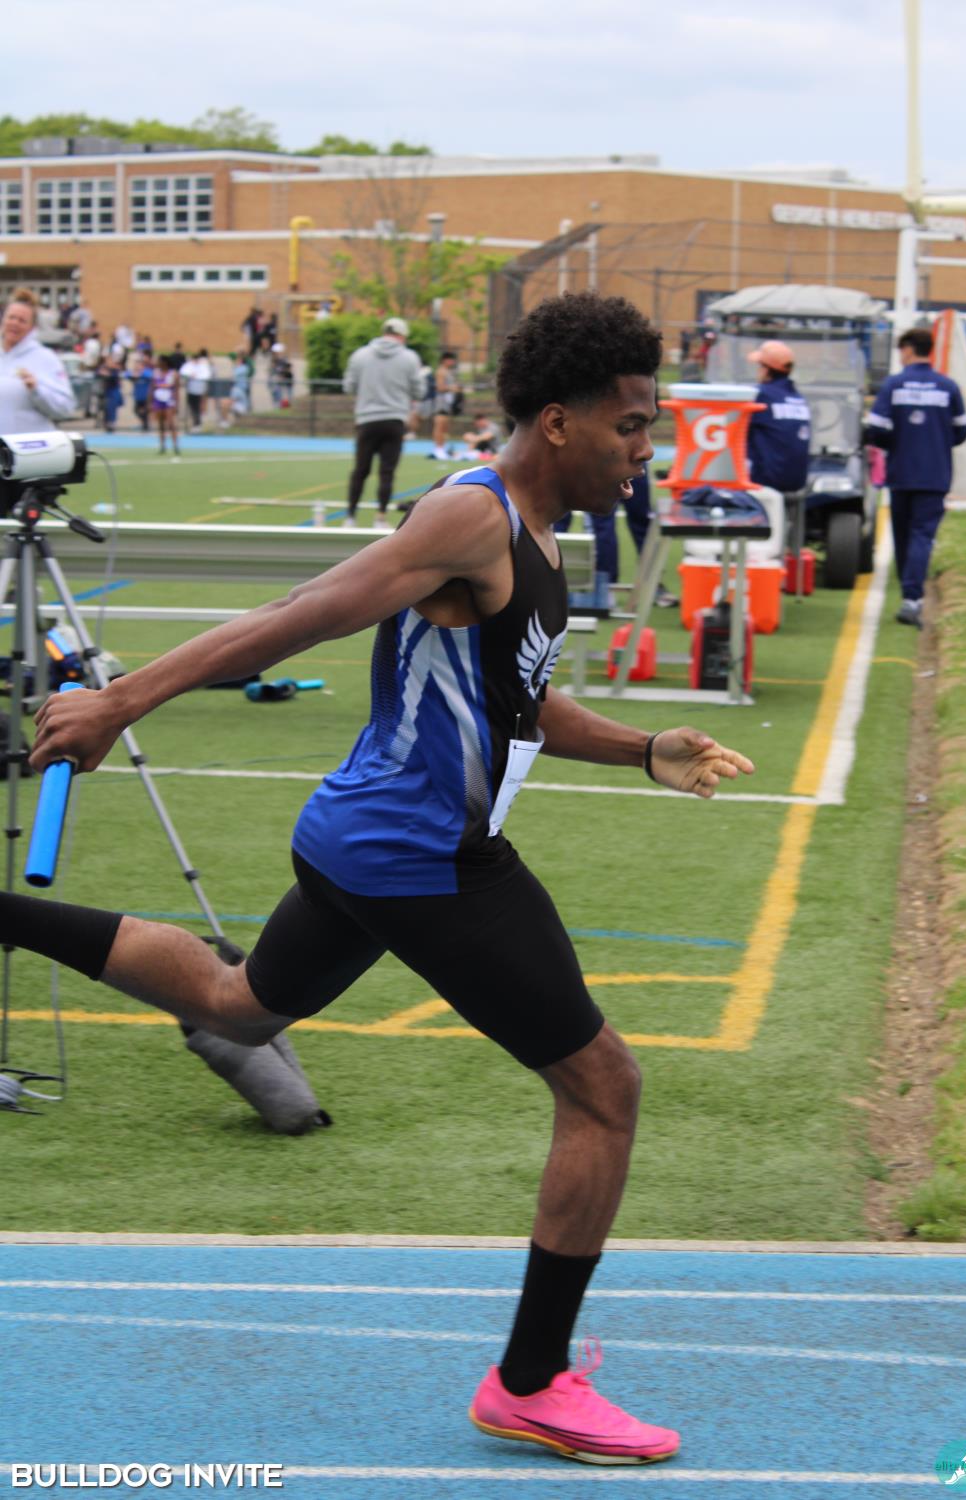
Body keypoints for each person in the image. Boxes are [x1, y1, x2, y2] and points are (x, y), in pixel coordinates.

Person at [19, 291, 756, 1468]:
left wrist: (641, 748)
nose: (643, 450)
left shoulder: (536, 533)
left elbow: (518, 701)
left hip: (363, 843)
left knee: (235, 1006)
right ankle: (530, 1383)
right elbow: (303, 613)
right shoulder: (471, 516)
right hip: (424, 859)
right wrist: (120, 699)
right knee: (603, 1086)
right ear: (558, 422)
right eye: (630, 426)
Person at [864, 326, 966, 628]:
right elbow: (962, 431)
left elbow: (876, 429)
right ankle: (912, 598)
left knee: (903, 534)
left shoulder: (894, 385)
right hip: (936, 474)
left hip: (901, 472)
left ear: (908, 350)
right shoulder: (948, 387)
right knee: (922, 534)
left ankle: (909, 592)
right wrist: (936, 442)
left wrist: (896, 444)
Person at [342, 316, 424, 530]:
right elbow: (419, 391)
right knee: (387, 471)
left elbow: (349, 386)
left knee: (360, 470)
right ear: (402, 335)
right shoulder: (409, 357)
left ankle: (350, 516)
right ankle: (380, 517)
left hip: (366, 418)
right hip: (395, 419)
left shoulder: (360, 355)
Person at [0, 287, 75, 433]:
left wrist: (36, 390)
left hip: (28, 445)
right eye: (11, 317)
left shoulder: (45, 358)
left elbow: (66, 408)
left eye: (22, 320)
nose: (15, 323)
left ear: (32, 327)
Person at [745, 340, 812, 494]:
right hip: (797, 482)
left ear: (767, 370)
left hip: (764, 483)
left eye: (760, 366)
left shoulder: (760, 395)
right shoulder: (798, 398)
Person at [431, 350, 462, 460]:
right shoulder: (441, 371)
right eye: (451, 360)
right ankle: (438, 449)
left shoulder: (449, 372)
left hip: (448, 403)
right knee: (439, 425)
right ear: (445, 360)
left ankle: (442, 448)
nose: (453, 362)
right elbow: (439, 387)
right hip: (441, 403)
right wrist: (452, 388)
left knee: (444, 427)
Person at [150, 355, 181, 456]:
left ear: (164, 362)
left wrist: (177, 403)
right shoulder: (156, 373)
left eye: (159, 361)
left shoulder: (173, 373)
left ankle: (175, 445)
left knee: (171, 423)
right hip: (158, 400)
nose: (158, 363)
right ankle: (162, 446)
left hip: (169, 400)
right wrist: (150, 402)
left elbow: (176, 389)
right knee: (160, 424)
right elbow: (152, 387)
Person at [180, 348, 213, 432]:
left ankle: (197, 423)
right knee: (192, 406)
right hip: (191, 389)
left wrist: (196, 376)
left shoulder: (202, 366)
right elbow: (183, 373)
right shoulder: (189, 365)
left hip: (199, 389)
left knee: (197, 406)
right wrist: (190, 376)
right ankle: (196, 422)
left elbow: (207, 375)